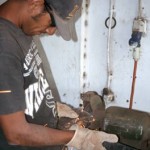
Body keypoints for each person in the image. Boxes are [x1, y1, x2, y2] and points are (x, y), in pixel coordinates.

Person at [0, 0, 118, 150]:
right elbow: (16, 133)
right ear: (35, 3)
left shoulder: (20, 28)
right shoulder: (4, 45)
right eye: (52, 22)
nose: (51, 31)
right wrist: (79, 138)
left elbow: (18, 87)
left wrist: (48, 107)